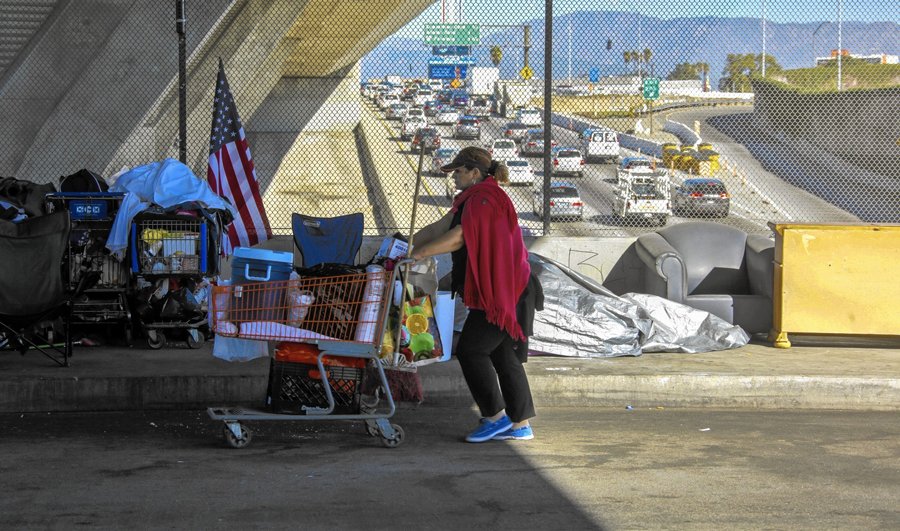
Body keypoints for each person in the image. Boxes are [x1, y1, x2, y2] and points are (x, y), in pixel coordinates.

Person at [411, 146, 540, 443]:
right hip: (504, 288)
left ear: (474, 172)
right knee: (503, 353)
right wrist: (406, 244)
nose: (454, 176)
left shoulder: (484, 199)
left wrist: (418, 255)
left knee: (471, 350)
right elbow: (440, 228)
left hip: (504, 292)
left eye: (458, 171)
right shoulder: (469, 201)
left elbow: (458, 238)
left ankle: (494, 417)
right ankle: (520, 424)